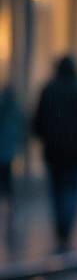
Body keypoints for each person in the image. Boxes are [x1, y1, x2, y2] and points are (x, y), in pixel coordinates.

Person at [32, 56, 77, 250]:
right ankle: (65, 227)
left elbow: (37, 121)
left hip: (53, 151)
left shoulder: (48, 90)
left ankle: (61, 227)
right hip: (75, 152)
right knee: (71, 190)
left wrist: (45, 136)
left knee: (57, 190)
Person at [0, 85, 24, 239]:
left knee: (6, 183)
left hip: (5, 152)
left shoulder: (5, 110)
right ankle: (11, 211)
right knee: (8, 184)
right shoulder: (15, 111)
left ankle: (10, 211)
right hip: (8, 153)